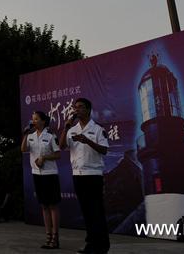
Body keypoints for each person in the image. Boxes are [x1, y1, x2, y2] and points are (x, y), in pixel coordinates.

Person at [59, 98, 110, 254]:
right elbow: (61, 146)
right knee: (86, 211)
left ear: (88, 110)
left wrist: (87, 141)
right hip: (78, 174)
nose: (77, 110)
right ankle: (90, 243)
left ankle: (102, 245)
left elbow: (104, 150)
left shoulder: (98, 129)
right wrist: (66, 128)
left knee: (96, 211)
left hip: (93, 175)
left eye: (80, 107)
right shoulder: (72, 129)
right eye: (75, 107)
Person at [22, 110, 62, 249]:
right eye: (32, 119)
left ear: (43, 121)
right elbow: (23, 149)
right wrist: (25, 134)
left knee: (52, 205)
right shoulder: (31, 136)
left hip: (50, 174)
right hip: (36, 174)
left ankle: (55, 237)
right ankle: (48, 236)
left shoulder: (51, 135)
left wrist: (44, 157)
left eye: (36, 119)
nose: (33, 121)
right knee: (44, 206)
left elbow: (58, 155)